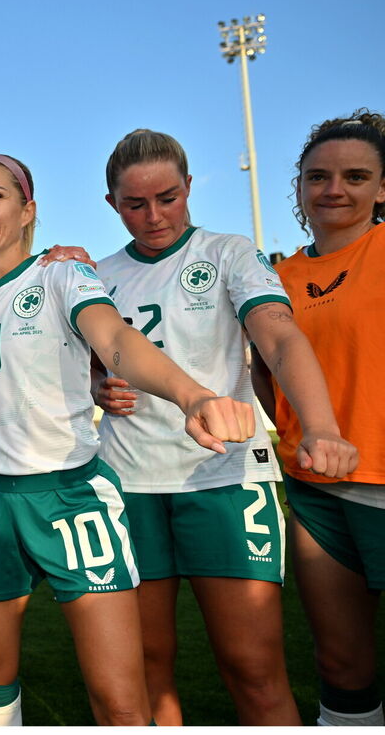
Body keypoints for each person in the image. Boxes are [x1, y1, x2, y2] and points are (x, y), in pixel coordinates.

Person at [0, 152, 257, 726]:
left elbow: (114, 339)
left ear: (27, 210)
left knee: (119, 698)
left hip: (69, 497)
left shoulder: (62, 275)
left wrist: (192, 396)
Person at [91, 129, 356, 724]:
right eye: (135, 204)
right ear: (112, 203)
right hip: (128, 485)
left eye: (167, 198)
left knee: (252, 669)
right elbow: (87, 362)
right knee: (146, 667)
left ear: (189, 187)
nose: (154, 216)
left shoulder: (229, 253)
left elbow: (278, 336)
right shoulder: (98, 274)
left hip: (223, 478)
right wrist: (95, 387)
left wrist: (320, 426)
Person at [251, 110, 385, 727]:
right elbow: (262, 371)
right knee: (340, 661)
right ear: (300, 187)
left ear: (381, 188)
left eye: (355, 176)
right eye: (318, 177)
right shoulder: (277, 277)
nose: (334, 189)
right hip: (316, 491)